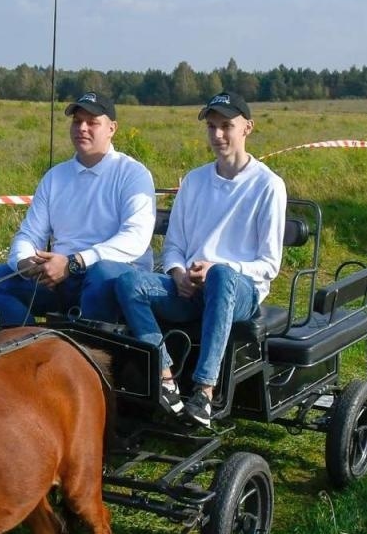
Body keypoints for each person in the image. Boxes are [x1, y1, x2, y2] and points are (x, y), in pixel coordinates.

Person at [113, 93, 286, 428]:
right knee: (127, 281)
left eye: (227, 126)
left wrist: (219, 270)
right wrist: (178, 273)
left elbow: (268, 264)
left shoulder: (268, 186)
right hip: (191, 288)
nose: (218, 135)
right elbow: (175, 244)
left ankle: (204, 390)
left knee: (221, 275)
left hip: (240, 290)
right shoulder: (195, 181)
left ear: (247, 128)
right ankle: (164, 378)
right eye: (212, 127)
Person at [0, 93, 156, 327]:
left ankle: (88, 350)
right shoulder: (55, 177)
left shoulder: (132, 174)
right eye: (77, 121)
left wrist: (74, 263)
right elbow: (29, 234)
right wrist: (25, 263)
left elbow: (135, 239)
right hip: (56, 279)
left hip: (107, 279)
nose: (82, 128)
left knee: (102, 273)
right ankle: (27, 344)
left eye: (92, 122)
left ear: (112, 128)